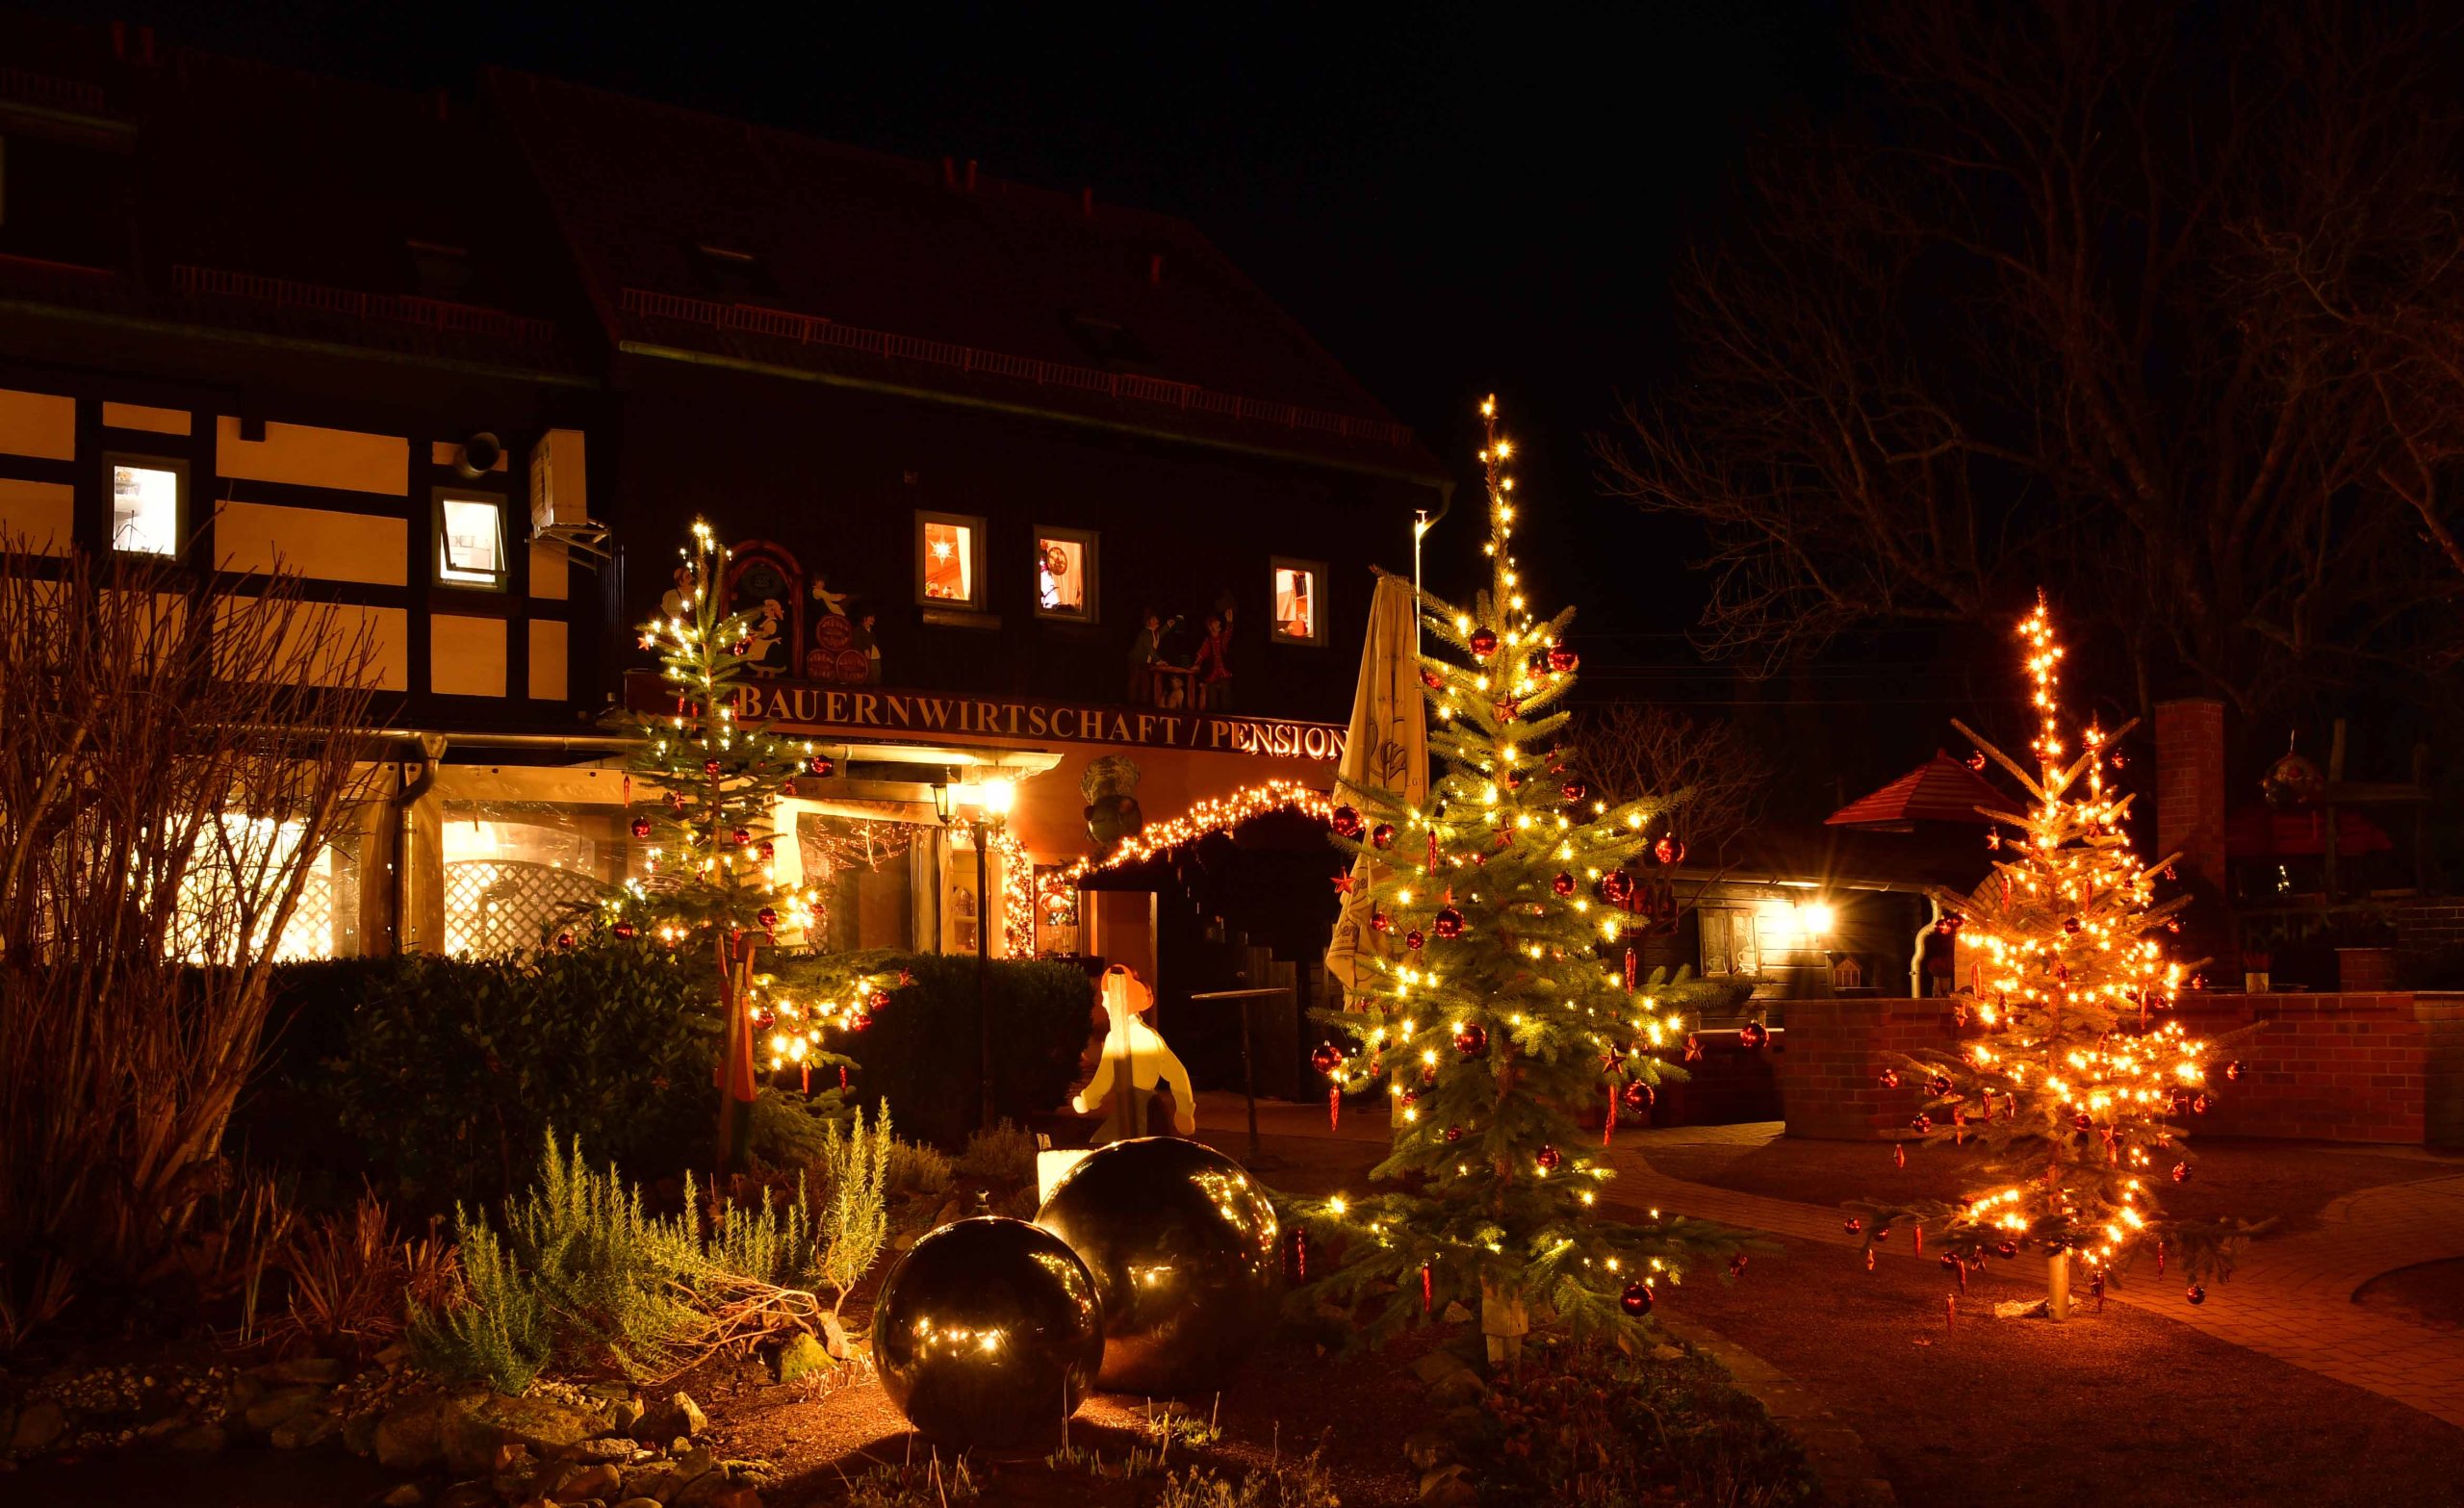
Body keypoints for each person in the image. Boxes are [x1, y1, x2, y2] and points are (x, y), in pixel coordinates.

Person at [1191, 613, 1233, 709]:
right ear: (1210, 626)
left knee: (1226, 695)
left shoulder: (1223, 638)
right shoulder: (1208, 641)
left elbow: (1228, 633)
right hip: (1212, 673)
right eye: (1215, 622)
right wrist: (1197, 664)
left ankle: (1227, 715)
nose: (1218, 623)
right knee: (1212, 698)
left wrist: (1229, 622)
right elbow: (1201, 653)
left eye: (1218, 622)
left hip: (1224, 672)